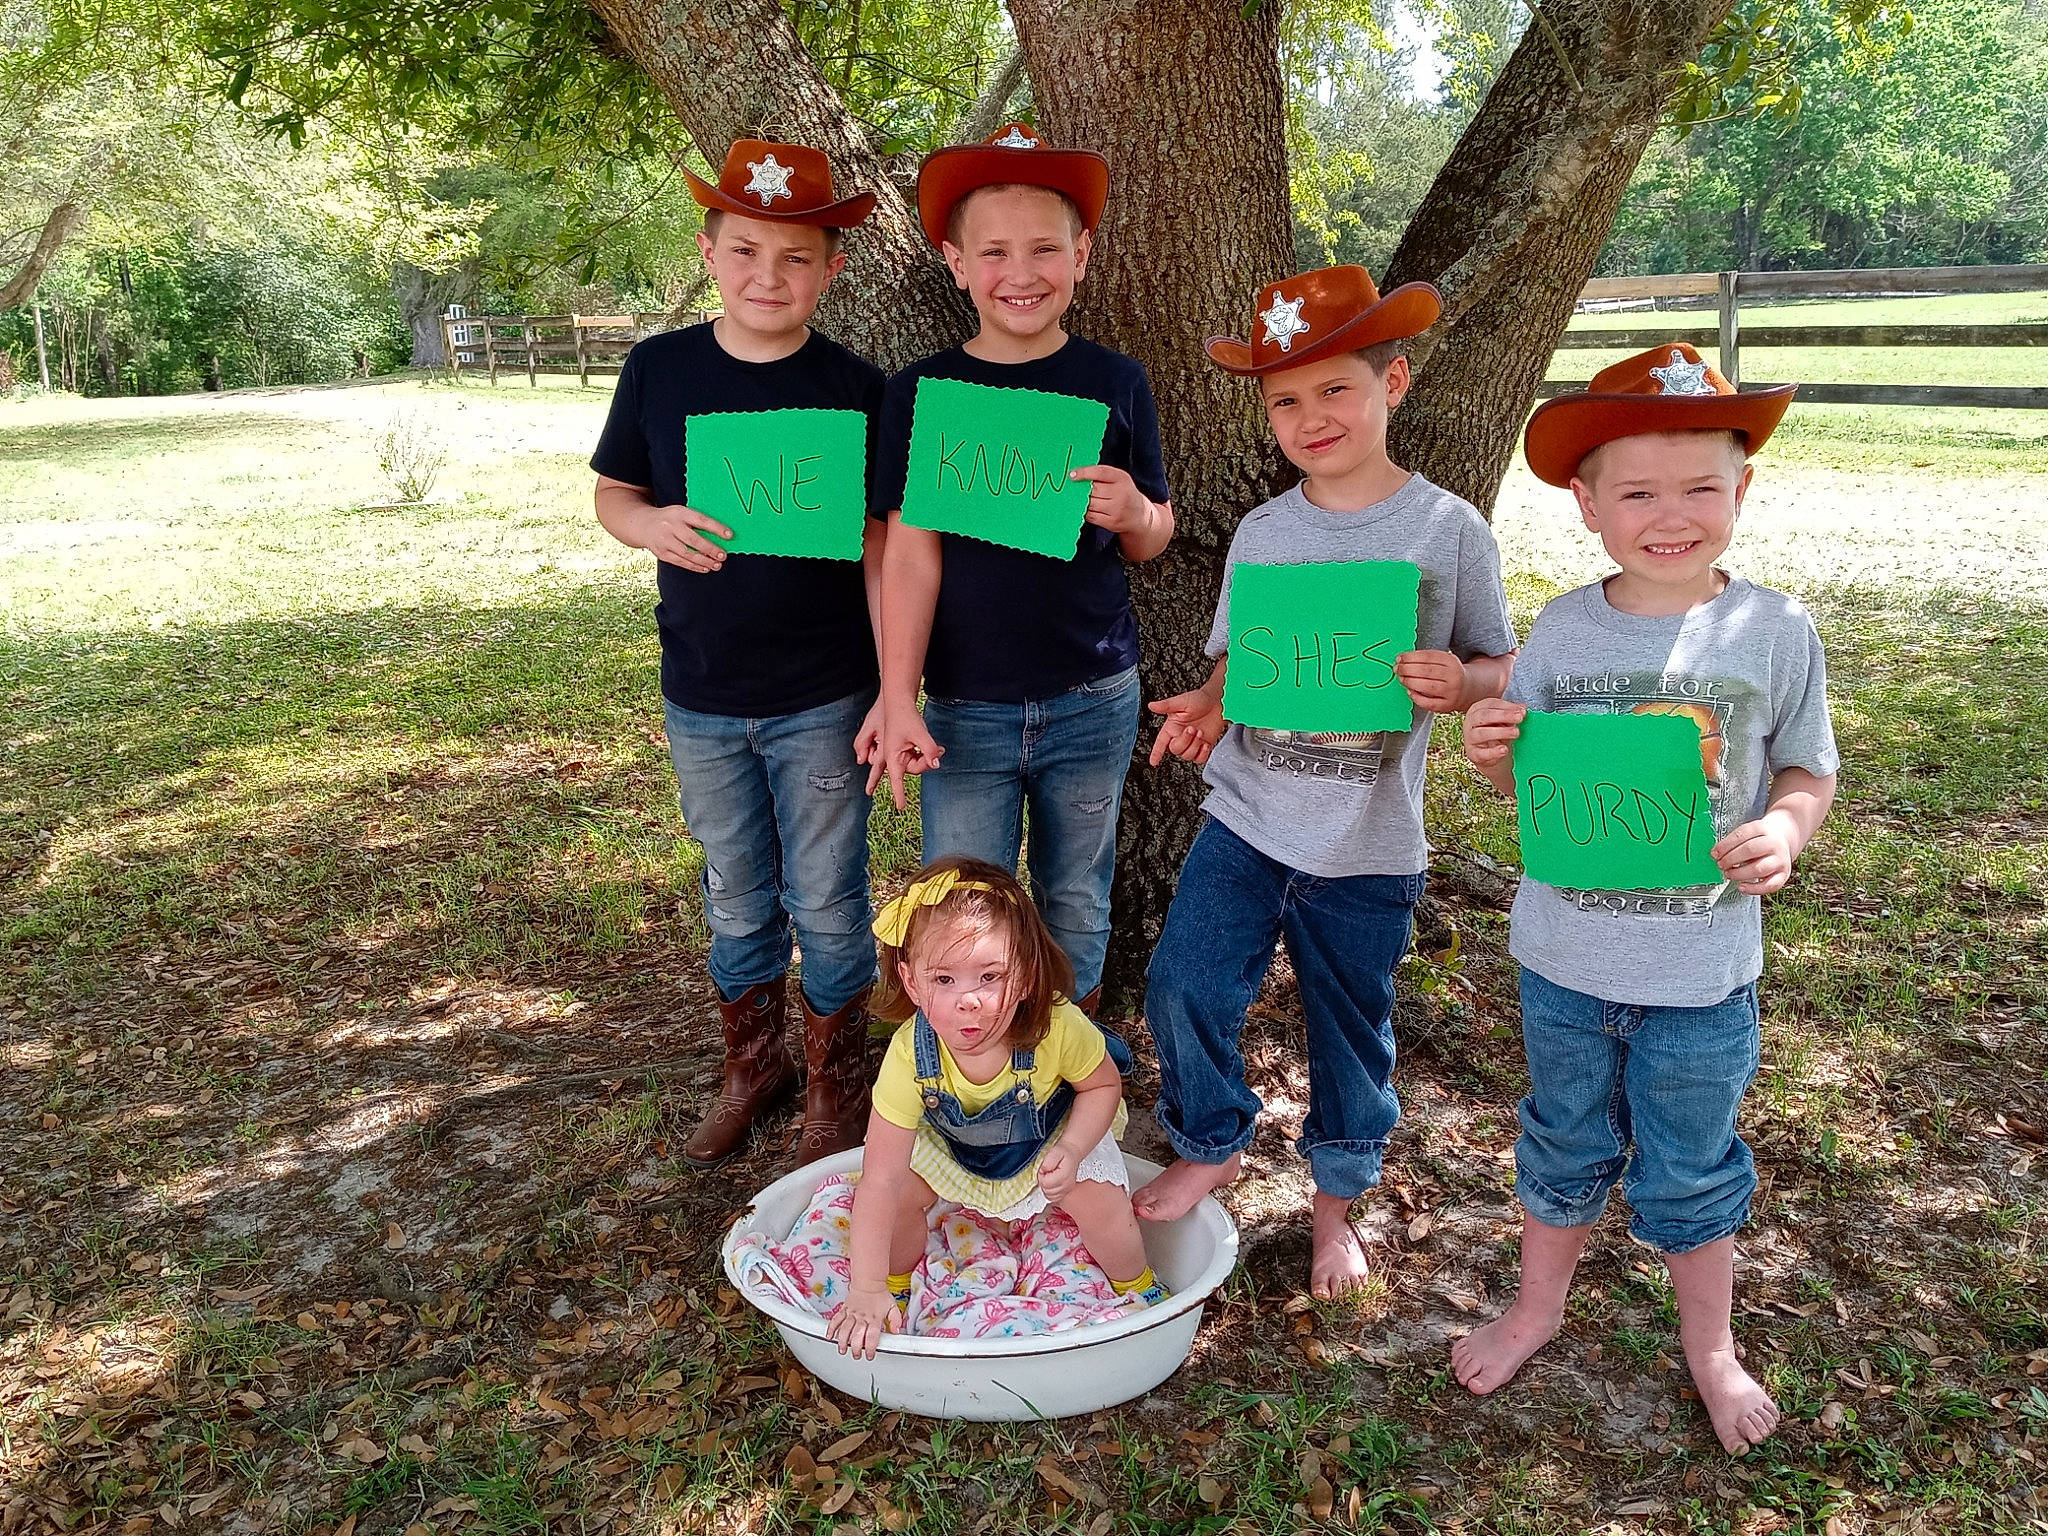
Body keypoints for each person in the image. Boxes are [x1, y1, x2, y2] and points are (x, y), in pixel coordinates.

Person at [1451, 343, 1838, 1455]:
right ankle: (1537, 1305)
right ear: (1584, 505)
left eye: (1698, 489)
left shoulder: (1774, 632)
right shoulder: (1563, 632)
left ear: (1740, 491)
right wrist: (1488, 747)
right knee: (1560, 1139)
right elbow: (1520, 775)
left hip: (1702, 978)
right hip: (1563, 967)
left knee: (1690, 1162)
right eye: (1635, 493)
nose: (1669, 516)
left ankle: (1708, 1346)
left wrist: (1785, 827)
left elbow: (1808, 768)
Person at [1137, 266, 1519, 1300]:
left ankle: (1334, 1207)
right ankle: (1211, 1135)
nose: (1309, 417)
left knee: (1350, 1032)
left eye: (1333, 390)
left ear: (1392, 383)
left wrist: (1462, 679)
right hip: (1249, 816)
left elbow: (1499, 661)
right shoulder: (1265, 534)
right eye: (1283, 400)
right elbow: (1238, 660)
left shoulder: (1446, 530)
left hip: (1366, 841)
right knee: (1180, 983)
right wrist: (1213, 701)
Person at [590, 139, 886, 1166]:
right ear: (711, 252)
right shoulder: (658, 369)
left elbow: (887, 540)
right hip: (704, 695)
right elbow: (614, 492)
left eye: (797, 258)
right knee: (734, 889)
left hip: (822, 693)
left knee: (831, 896)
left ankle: (836, 1086)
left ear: (830, 270)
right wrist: (649, 526)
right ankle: (753, 1065)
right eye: (747, 251)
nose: (771, 276)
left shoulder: (855, 387)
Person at [867, 123, 1174, 1012]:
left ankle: (1066, 1053)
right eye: (994, 251)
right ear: (956, 265)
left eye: (1046, 248)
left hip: (1093, 696)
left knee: (1077, 895)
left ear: (1082, 256)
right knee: (965, 904)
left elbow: (1154, 533)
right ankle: (976, 1062)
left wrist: (1134, 512)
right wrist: (897, 696)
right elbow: (910, 558)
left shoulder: (1115, 380)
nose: (1022, 271)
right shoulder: (922, 395)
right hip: (965, 706)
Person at [827, 858, 1166, 1359]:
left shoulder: (1056, 1025)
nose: (969, 1001)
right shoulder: (908, 1055)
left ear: (1027, 975)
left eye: (990, 976)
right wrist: (864, 1284)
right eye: (944, 979)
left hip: (1049, 1144)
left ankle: (1136, 1284)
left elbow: (1102, 1086)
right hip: (953, 1150)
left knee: (1101, 1203)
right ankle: (892, 1283)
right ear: (912, 981)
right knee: (895, 1195)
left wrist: (1073, 1149)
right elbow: (878, 1176)